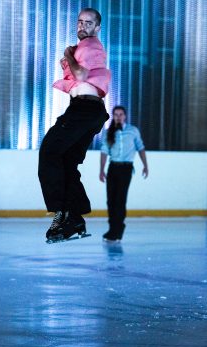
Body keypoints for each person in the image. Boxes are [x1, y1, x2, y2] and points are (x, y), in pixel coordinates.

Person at [38, 8, 111, 240]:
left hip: (84, 109)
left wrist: (68, 55)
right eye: (80, 22)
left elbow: (80, 75)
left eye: (88, 23)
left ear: (97, 28)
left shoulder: (90, 45)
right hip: (89, 110)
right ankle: (75, 220)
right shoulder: (85, 48)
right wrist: (70, 56)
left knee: (50, 150)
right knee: (67, 161)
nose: (83, 26)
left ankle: (61, 212)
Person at [99, 106, 148, 241]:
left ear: (125, 116)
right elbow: (104, 151)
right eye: (116, 114)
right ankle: (112, 229)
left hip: (126, 169)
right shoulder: (108, 132)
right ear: (113, 116)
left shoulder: (133, 131)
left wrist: (145, 166)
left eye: (121, 114)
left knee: (120, 200)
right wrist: (101, 170)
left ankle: (118, 229)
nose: (118, 117)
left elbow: (141, 148)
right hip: (113, 168)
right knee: (111, 200)